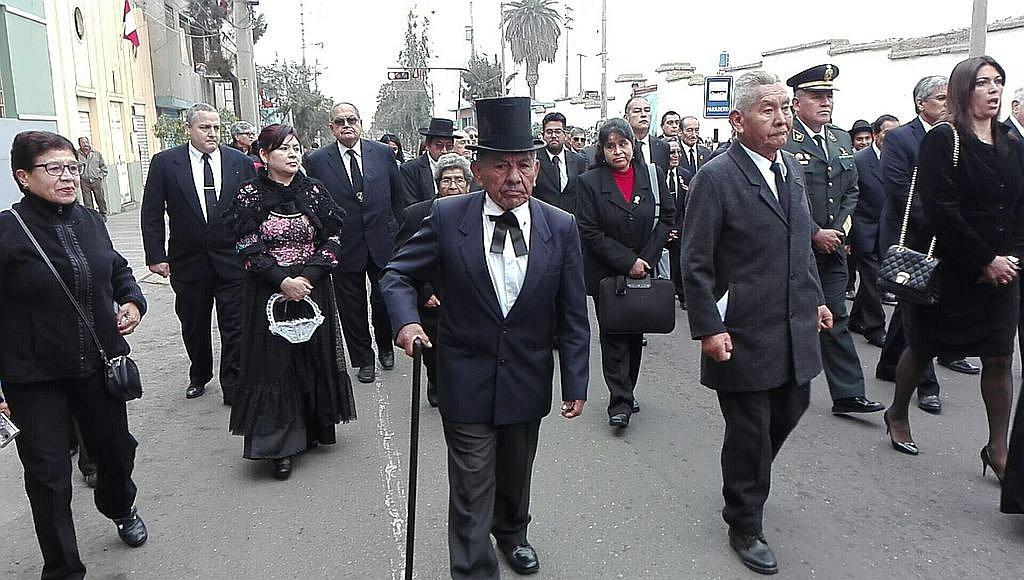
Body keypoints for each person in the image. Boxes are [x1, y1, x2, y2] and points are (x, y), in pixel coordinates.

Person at [381, 96, 589, 579]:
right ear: (478, 171)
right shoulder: (448, 217)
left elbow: (574, 312)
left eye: (524, 164)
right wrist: (406, 321)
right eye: (501, 166)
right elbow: (396, 275)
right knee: (473, 487)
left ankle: (513, 532)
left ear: (537, 169)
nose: (514, 177)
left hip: (527, 377)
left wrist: (575, 380)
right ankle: (474, 570)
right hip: (465, 376)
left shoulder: (561, 227)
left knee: (515, 477)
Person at [682, 71, 832, 576]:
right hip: (741, 330)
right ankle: (744, 521)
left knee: (793, 405)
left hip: (792, 325)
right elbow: (694, 261)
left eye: (785, 108)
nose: (782, 118)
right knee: (749, 431)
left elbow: (800, 248)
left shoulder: (789, 169)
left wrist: (815, 301)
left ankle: (748, 483)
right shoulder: (717, 178)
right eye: (768, 109)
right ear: (738, 119)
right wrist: (707, 327)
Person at [0, 130, 149, 578]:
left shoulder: (89, 220)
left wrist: (132, 300)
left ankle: (120, 505)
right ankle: (63, 568)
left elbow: (117, 268)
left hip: (97, 363)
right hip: (34, 377)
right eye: (54, 169)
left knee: (115, 452)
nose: (67, 177)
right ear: (23, 177)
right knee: (47, 477)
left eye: (71, 167)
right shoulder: (6, 232)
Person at [885, 56, 1024, 473]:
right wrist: (984, 260)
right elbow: (941, 210)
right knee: (923, 347)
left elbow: (1019, 208)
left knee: (999, 358)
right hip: (954, 269)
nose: (994, 90)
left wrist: (1011, 259)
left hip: (1003, 273)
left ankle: (997, 449)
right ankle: (897, 412)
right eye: (983, 83)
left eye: (998, 82)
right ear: (965, 90)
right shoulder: (944, 139)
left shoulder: (1012, 143)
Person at [223, 124, 356, 481]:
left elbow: (334, 236)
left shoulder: (313, 191)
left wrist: (308, 278)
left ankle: (312, 428)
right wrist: (281, 281)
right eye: (284, 149)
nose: (293, 154)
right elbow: (246, 244)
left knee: (311, 358)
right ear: (264, 156)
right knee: (274, 366)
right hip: (269, 290)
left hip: (312, 288)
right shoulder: (249, 194)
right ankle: (278, 445)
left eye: (297, 148)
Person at [784, 64, 885, 417]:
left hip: (833, 248)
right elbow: (786, 196)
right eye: (816, 96)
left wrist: (839, 230)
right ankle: (782, 388)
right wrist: (813, 232)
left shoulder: (841, 139)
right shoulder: (784, 140)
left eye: (828, 96)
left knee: (835, 317)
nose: (825, 102)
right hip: (797, 248)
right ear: (796, 103)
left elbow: (852, 191)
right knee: (793, 319)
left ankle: (848, 394)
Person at [141, 103, 257, 403]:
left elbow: (251, 209)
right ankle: (200, 373)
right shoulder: (165, 163)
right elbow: (152, 212)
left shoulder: (238, 162)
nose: (212, 133)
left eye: (216, 127)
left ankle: (233, 383)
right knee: (194, 324)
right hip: (188, 261)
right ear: (188, 129)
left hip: (232, 260)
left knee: (235, 325)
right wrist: (156, 255)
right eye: (205, 127)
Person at [577, 117, 675, 429]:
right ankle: (618, 401)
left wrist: (645, 259)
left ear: (633, 146)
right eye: (610, 146)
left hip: (644, 268)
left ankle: (627, 390)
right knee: (613, 335)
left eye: (623, 144)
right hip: (609, 273)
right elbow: (589, 232)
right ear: (601, 150)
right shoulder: (590, 182)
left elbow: (667, 218)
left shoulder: (653, 175)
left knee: (635, 333)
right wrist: (626, 261)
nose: (618, 151)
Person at [305, 102, 401, 384]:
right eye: (340, 121)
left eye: (352, 119)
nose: (347, 125)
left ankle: (385, 346)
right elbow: (315, 205)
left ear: (361, 123)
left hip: (383, 241)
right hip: (344, 245)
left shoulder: (383, 153)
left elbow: (398, 196)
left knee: (384, 299)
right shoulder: (318, 160)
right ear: (331, 127)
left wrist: (399, 232)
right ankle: (363, 359)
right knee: (351, 306)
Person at [875, 76, 950, 412]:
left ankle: (890, 363)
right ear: (921, 103)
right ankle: (926, 384)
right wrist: (943, 218)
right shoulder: (901, 139)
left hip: (941, 237)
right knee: (919, 310)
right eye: (940, 98)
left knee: (910, 304)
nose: (947, 104)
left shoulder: (953, 137)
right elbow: (900, 189)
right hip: (908, 238)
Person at [392, 153, 473, 408]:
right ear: (437, 184)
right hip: (432, 295)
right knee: (435, 351)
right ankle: (436, 382)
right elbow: (401, 259)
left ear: (469, 184)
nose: (453, 186)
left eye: (459, 180)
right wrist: (423, 291)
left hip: (468, 295)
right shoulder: (417, 215)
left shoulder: (480, 211)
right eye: (446, 180)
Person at [848, 114, 900, 348]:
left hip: (889, 231)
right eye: (888, 133)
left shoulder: (899, 158)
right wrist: (847, 236)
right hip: (864, 229)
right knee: (873, 280)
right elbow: (849, 198)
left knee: (873, 281)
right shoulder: (859, 160)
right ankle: (875, 329)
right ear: (876, 135)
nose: (893, 138)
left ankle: (857, 318)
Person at [534, 111, 586, 215]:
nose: (554, 136)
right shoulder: (534, 160)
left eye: (558, 132)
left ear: (565, 135)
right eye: (549, 132)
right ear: (543, 135)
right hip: (543, 219)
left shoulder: (578, 161)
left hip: (571, 222)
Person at [400, 117, 456, 208]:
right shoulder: (410, 169)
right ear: (428, 145)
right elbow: (411, 207)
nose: (444, 151)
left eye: (449, 146)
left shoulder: (460, 168)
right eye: (439, 145)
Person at [665, 137, 693, 309]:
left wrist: (678, 228)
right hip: (662, 228)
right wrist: (666, 230)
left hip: (680, 227)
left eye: (678, 152)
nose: (675, 156)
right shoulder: (658, 173)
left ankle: (683, 296)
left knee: (681, 262)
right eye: (671, 152)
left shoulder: (685, 175)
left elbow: (687, 205)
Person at [624, 96, 670, 172]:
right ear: (626, 117)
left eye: (647, 110)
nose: (643, 114)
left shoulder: (663, 146)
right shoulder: (621, 147)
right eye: (637, 111)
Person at [76, 137, 108, 218]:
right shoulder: (76, 155)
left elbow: (103, 167)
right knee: (87, 201)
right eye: (83, 142)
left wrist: (100, 176)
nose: (85, 144)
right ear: (79, 144)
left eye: (86, 142)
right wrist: (79, 177)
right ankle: (91, 217)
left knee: (100, 199)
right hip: (84, 181)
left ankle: (103, 214)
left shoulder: (96, 153)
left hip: (96, 180)